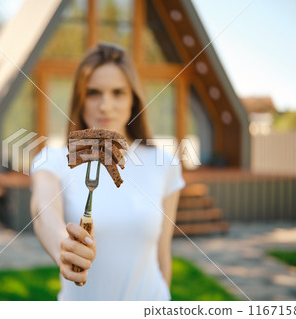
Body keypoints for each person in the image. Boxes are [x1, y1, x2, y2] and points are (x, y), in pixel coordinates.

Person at [30, 42, 185, 301]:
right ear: (80, 97)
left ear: (133, 98)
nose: (105, 106)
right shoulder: (54, 159)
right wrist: (63, 247)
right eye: (93, 92)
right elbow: (42, 210)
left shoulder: (164, 164)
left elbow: (161, 253)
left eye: (118, 93)